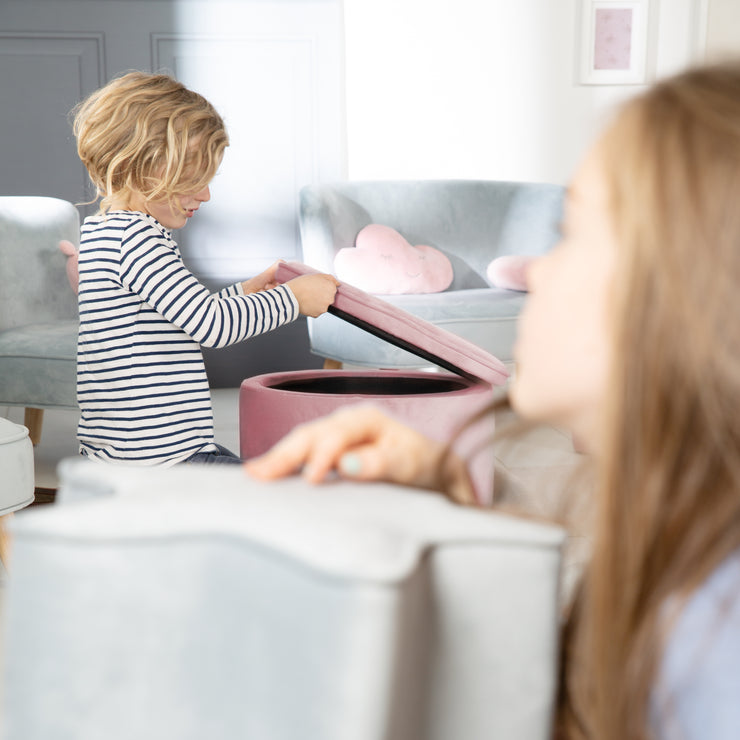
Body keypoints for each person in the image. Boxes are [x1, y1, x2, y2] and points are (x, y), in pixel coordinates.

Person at [246, 60, 740, 739]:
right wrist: (472, 500)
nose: (532, 270)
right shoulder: (688, 566)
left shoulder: (714, 645)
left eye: (573, 236)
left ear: (693, 302)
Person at [72, 71, 338, 465]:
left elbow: (178, 313)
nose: (206, 194)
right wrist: (294, 299)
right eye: (193, 180)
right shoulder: (139, 239)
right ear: (143, 167)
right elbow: (210, 326)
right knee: (278, 491)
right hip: (163, 460)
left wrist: (247, 291)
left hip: (125, 454)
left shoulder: (103, 231)